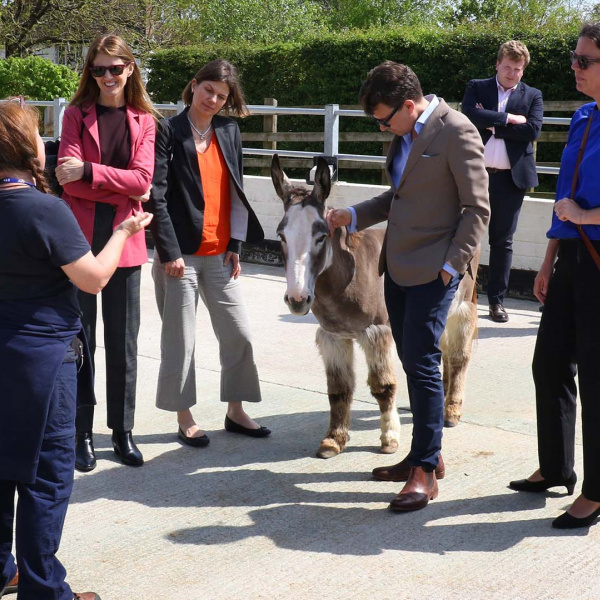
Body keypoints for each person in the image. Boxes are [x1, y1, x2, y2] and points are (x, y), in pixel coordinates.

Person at [0, 99, 152, 599]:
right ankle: (44, 589)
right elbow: (93, 280)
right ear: (30, 151)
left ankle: (4, 568)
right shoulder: (45, 211)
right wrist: (126, 231)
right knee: (46, 476)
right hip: (44, 360)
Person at [327, 62, 489, 512]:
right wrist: (353, 215)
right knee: (411, 358)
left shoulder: (456, 131)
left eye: (384, 119)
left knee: (421, 364)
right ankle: (424, 456)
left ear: (410, 105)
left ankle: (424, 473)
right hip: (395, 268)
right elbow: (398, 197)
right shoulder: (406, 133)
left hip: (434, 271)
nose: (383, 128)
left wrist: (451, 267)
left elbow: (477, 208)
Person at [148, 59, 269, 446]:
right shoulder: (167, 129)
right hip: (179, 256)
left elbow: (236, 188)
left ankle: (235, 411)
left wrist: (235, 243)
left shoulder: (229, 130)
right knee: (180, 343)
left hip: (219, 254)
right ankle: (185, 417)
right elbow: (158, 195)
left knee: (239, 335)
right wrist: (168, 252)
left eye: (222, 95)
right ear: (194, 85)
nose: (213, 100)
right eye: (208, 91)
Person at [508, 23, 600, 529]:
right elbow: (564, 197)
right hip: (572, 260)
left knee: (597, 378)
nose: (575, 67)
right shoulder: (584, 117)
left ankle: (597, 490)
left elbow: (579, 208)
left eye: (585, 60)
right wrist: (548, 261)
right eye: (574, 57)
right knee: (549, 363)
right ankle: (557, 466)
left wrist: (588, 217)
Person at [56, 34, 157, 471]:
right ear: (90, 73)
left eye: (116, 68)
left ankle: (123, 432)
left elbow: (144, 182)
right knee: (82, 343)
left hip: (126, 239)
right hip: (80, 242)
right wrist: (118, 183)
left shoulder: (145, 120)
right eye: (99, 69)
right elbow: (66, 179)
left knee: (123, 344)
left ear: (130, 69)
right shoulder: (75, 115)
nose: (108, 76)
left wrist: (93, 172)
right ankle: (81, 433)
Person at [462, 40, 543, 323]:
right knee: (462, 235)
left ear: (523, 70)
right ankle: (459, 296)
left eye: (517, 69)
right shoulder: (477, 86)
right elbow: (470, 114)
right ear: (498, 64)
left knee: (502, 242)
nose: (511, 73)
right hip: (474, 176)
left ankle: (496, 301)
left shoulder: (533, 95)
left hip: (510, 180)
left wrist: (493, 123)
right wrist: (510, 119)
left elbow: (532, 130)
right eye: (507, 67)